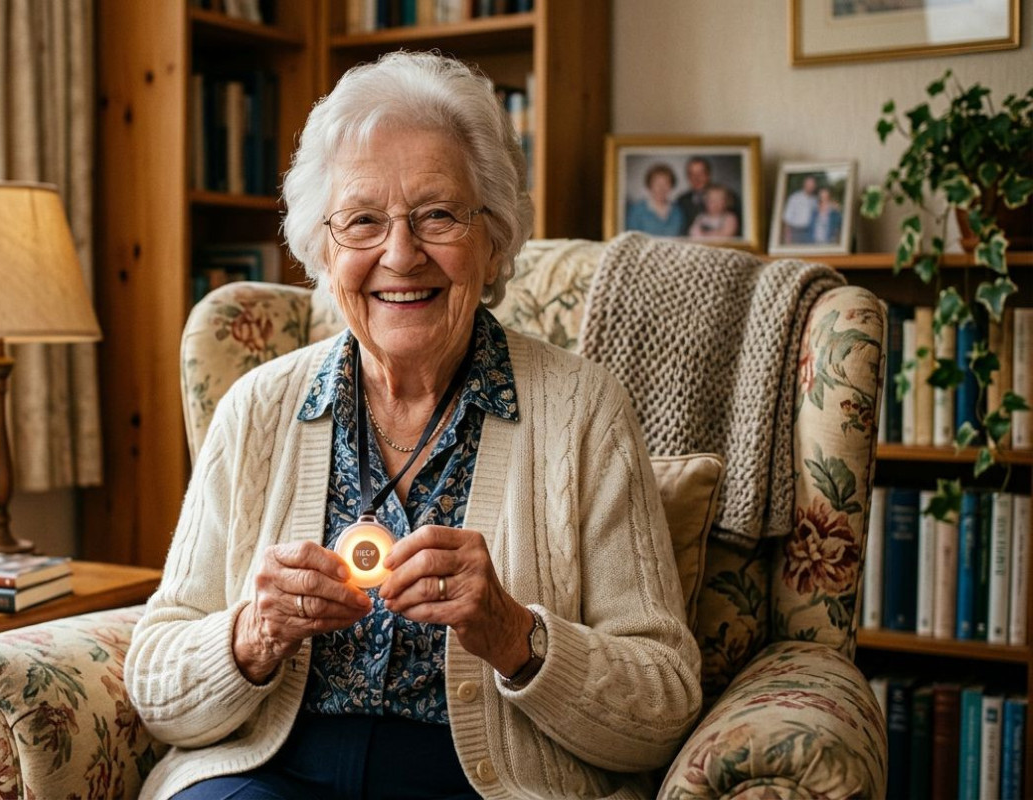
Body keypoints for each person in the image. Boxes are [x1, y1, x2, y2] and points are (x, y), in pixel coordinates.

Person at [126, 51, 702, 800]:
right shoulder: (256, 409)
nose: (400, 255)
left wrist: (512, 634)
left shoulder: (584, 411)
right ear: (324, 250)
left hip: (486, 784)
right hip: (271, 772)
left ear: (492, 238)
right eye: (362, 221)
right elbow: (152, 677)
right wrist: (251, 634)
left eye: (437, 215)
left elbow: (663, 705)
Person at [623, 162, 686, 237]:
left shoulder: (677, 211)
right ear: (649, 185)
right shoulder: (637, 210)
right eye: (657, 183)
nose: (661, 188)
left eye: (666, 183)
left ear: (671, 186)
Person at [782, 174, 820, 244]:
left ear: (815, 186)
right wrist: (787, 237)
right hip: (796, 232)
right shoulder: (794, 198)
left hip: (809, 233)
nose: (810, 186)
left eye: (812, 184)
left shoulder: (815, 200)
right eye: (808, 184)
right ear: (804, 184)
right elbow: (787, 219)